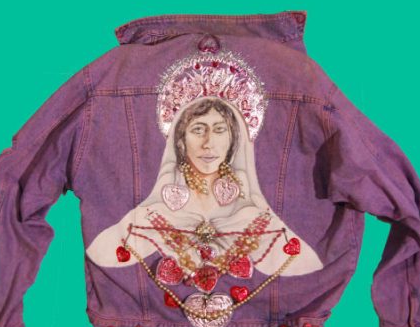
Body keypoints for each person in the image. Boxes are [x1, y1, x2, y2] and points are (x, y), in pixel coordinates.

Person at [86, 95, 323, 282]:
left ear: (233, 141)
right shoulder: (148, 219)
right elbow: (102, 253)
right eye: (198, 130)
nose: (208, 143)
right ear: (180, 141)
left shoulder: (260, 222)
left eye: (220, 130)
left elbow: (305, 266)